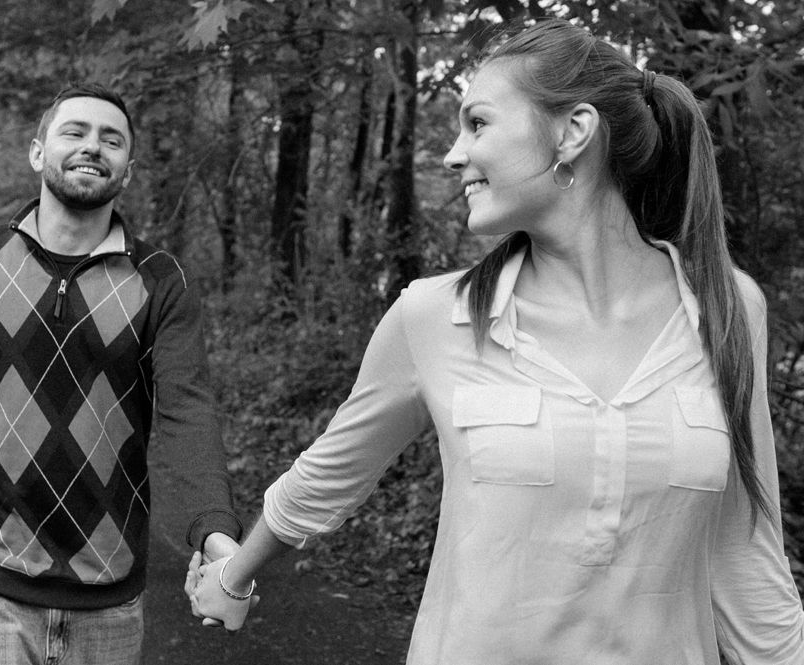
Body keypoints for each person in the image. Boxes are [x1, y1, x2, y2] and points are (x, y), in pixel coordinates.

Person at [185, 18, 804, 664]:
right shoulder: (433, 317)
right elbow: (326, 478)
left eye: (477, 123)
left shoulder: (728, 310)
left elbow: (747, 554)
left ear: (573, 132)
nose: (454, 154)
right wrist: (233, 576)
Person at [0, 82, 243, 664]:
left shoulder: (160, 280)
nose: (92, 146)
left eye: (111, 140)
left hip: (109, 590)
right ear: (37, 151)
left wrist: (216, 534)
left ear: (128, 170)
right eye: (75, 132)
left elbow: (187, 413)